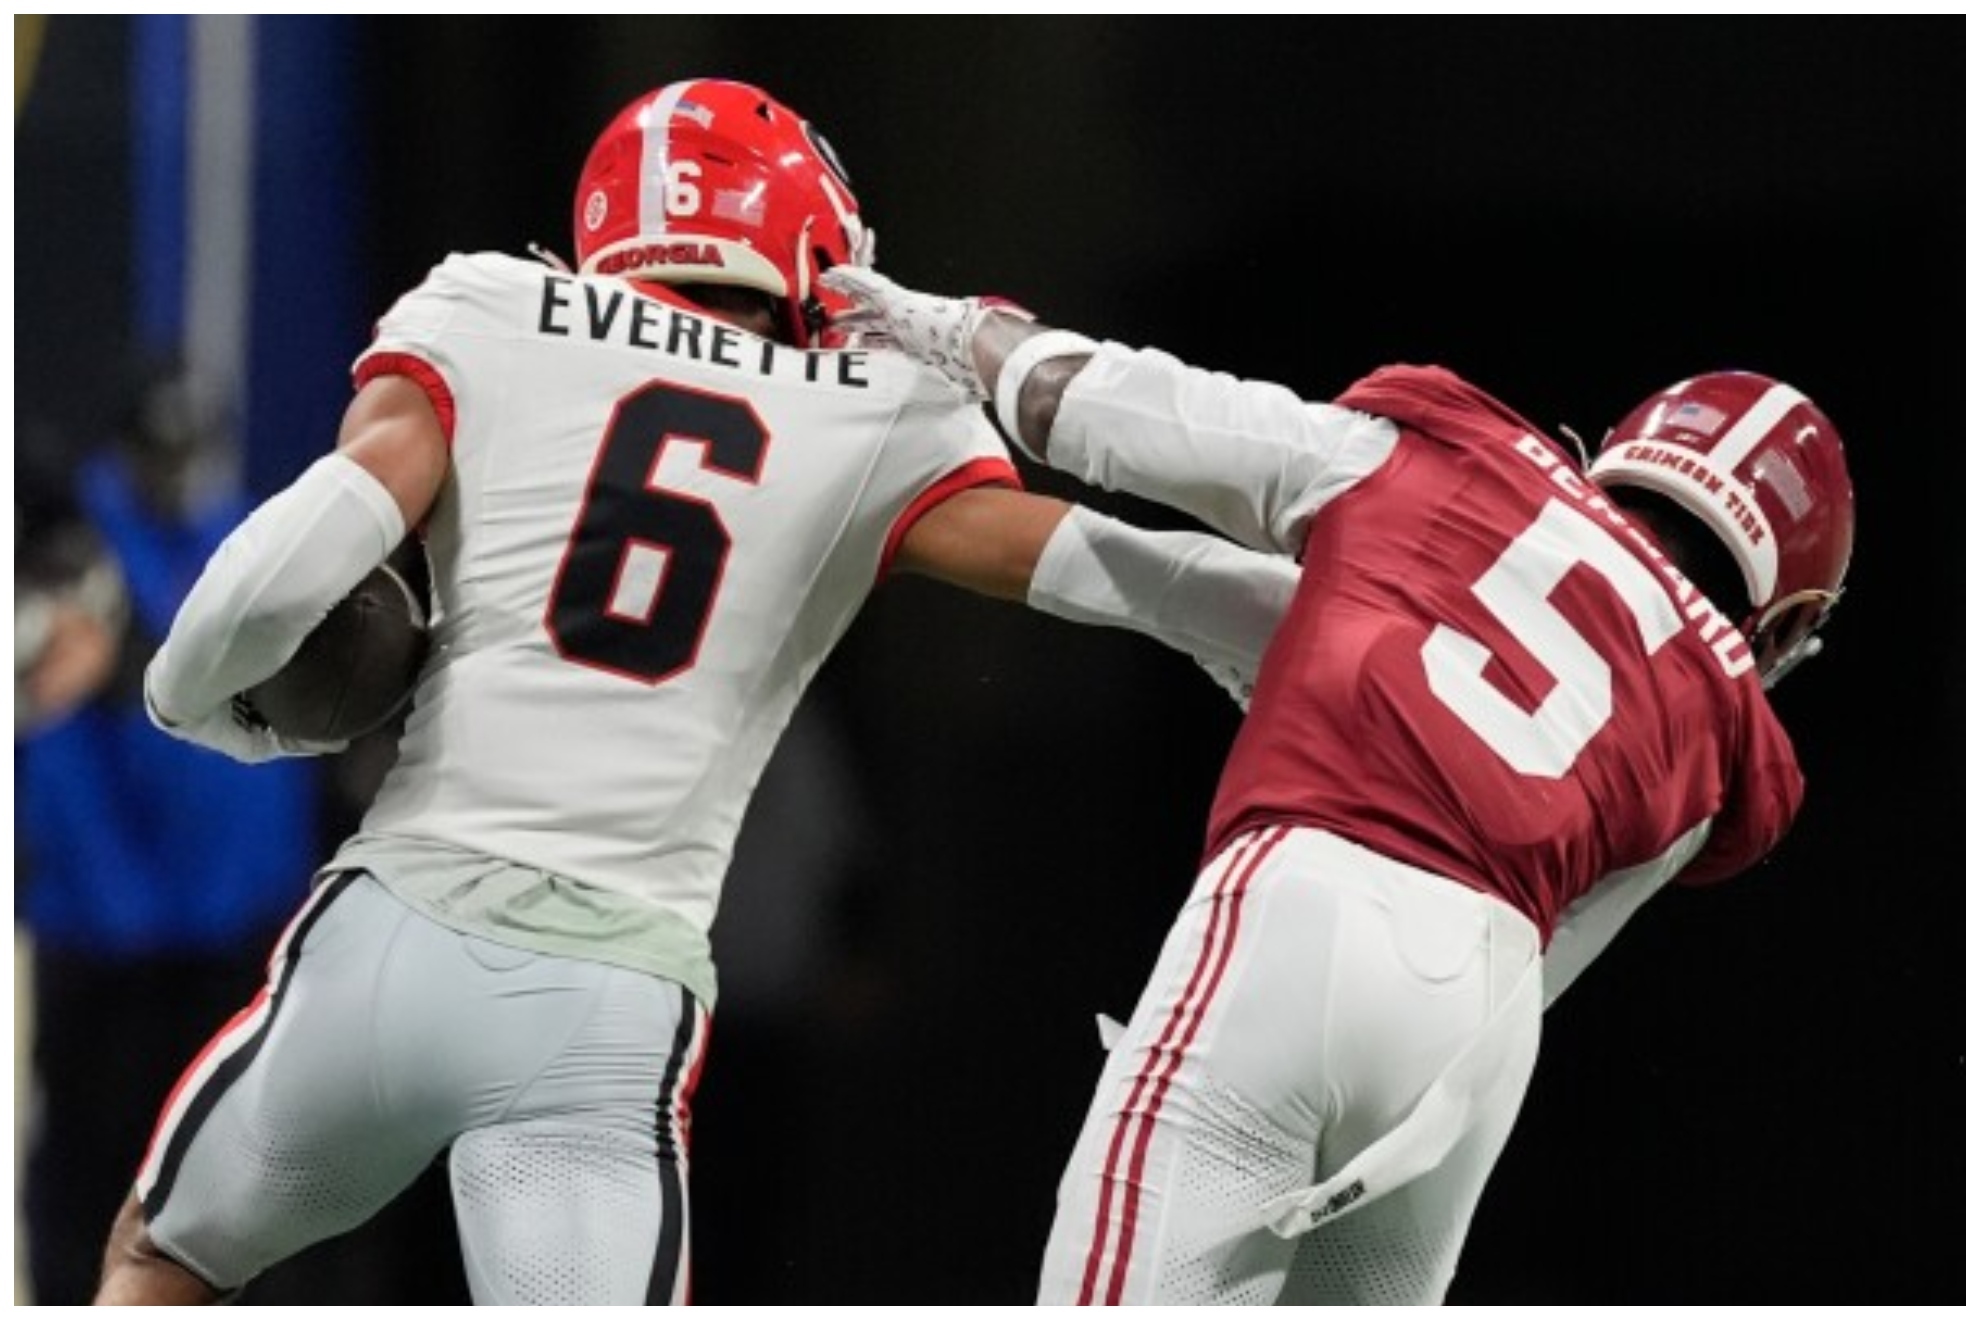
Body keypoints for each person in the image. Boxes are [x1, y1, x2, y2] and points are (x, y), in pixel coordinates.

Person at [92, 79, 1297, 1306]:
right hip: (599, 1005)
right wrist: (1290, 610)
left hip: (395, 930)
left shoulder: (494, 305)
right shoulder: (870, 411)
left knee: (165, 1253)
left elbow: (269, 583)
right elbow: (1088, 564)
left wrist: (191, 704)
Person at [823, 264, 1856, 1304]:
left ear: (1617, 456)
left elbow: (1114, 410)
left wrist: (959, 334)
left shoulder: (1450, 458)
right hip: (1477, 1034)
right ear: (1790, 615)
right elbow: (1549, 952)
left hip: (1307, 907)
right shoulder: (1724, 737)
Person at [14, 373, 323, 1306]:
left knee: (224, 1199)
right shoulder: (68, 546)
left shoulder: (251, 536)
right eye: (160, 448)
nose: (177, 470)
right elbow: (55, 687)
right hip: (104, 939)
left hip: (226, 938)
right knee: (88, 1198)